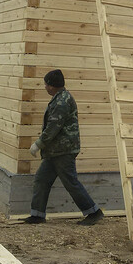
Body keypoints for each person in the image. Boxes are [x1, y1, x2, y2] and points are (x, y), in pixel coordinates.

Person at [20, 69, 104, 226]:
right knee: (41, 180)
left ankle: (94, 212)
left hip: (63, 151)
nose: (44, 87)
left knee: (70, 182)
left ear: (52, 86)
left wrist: (38, 144)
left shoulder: (62, 102)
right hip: (55, 151)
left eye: (45, 84)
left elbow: (53, 127)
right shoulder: (59, 98)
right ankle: (37, 215)